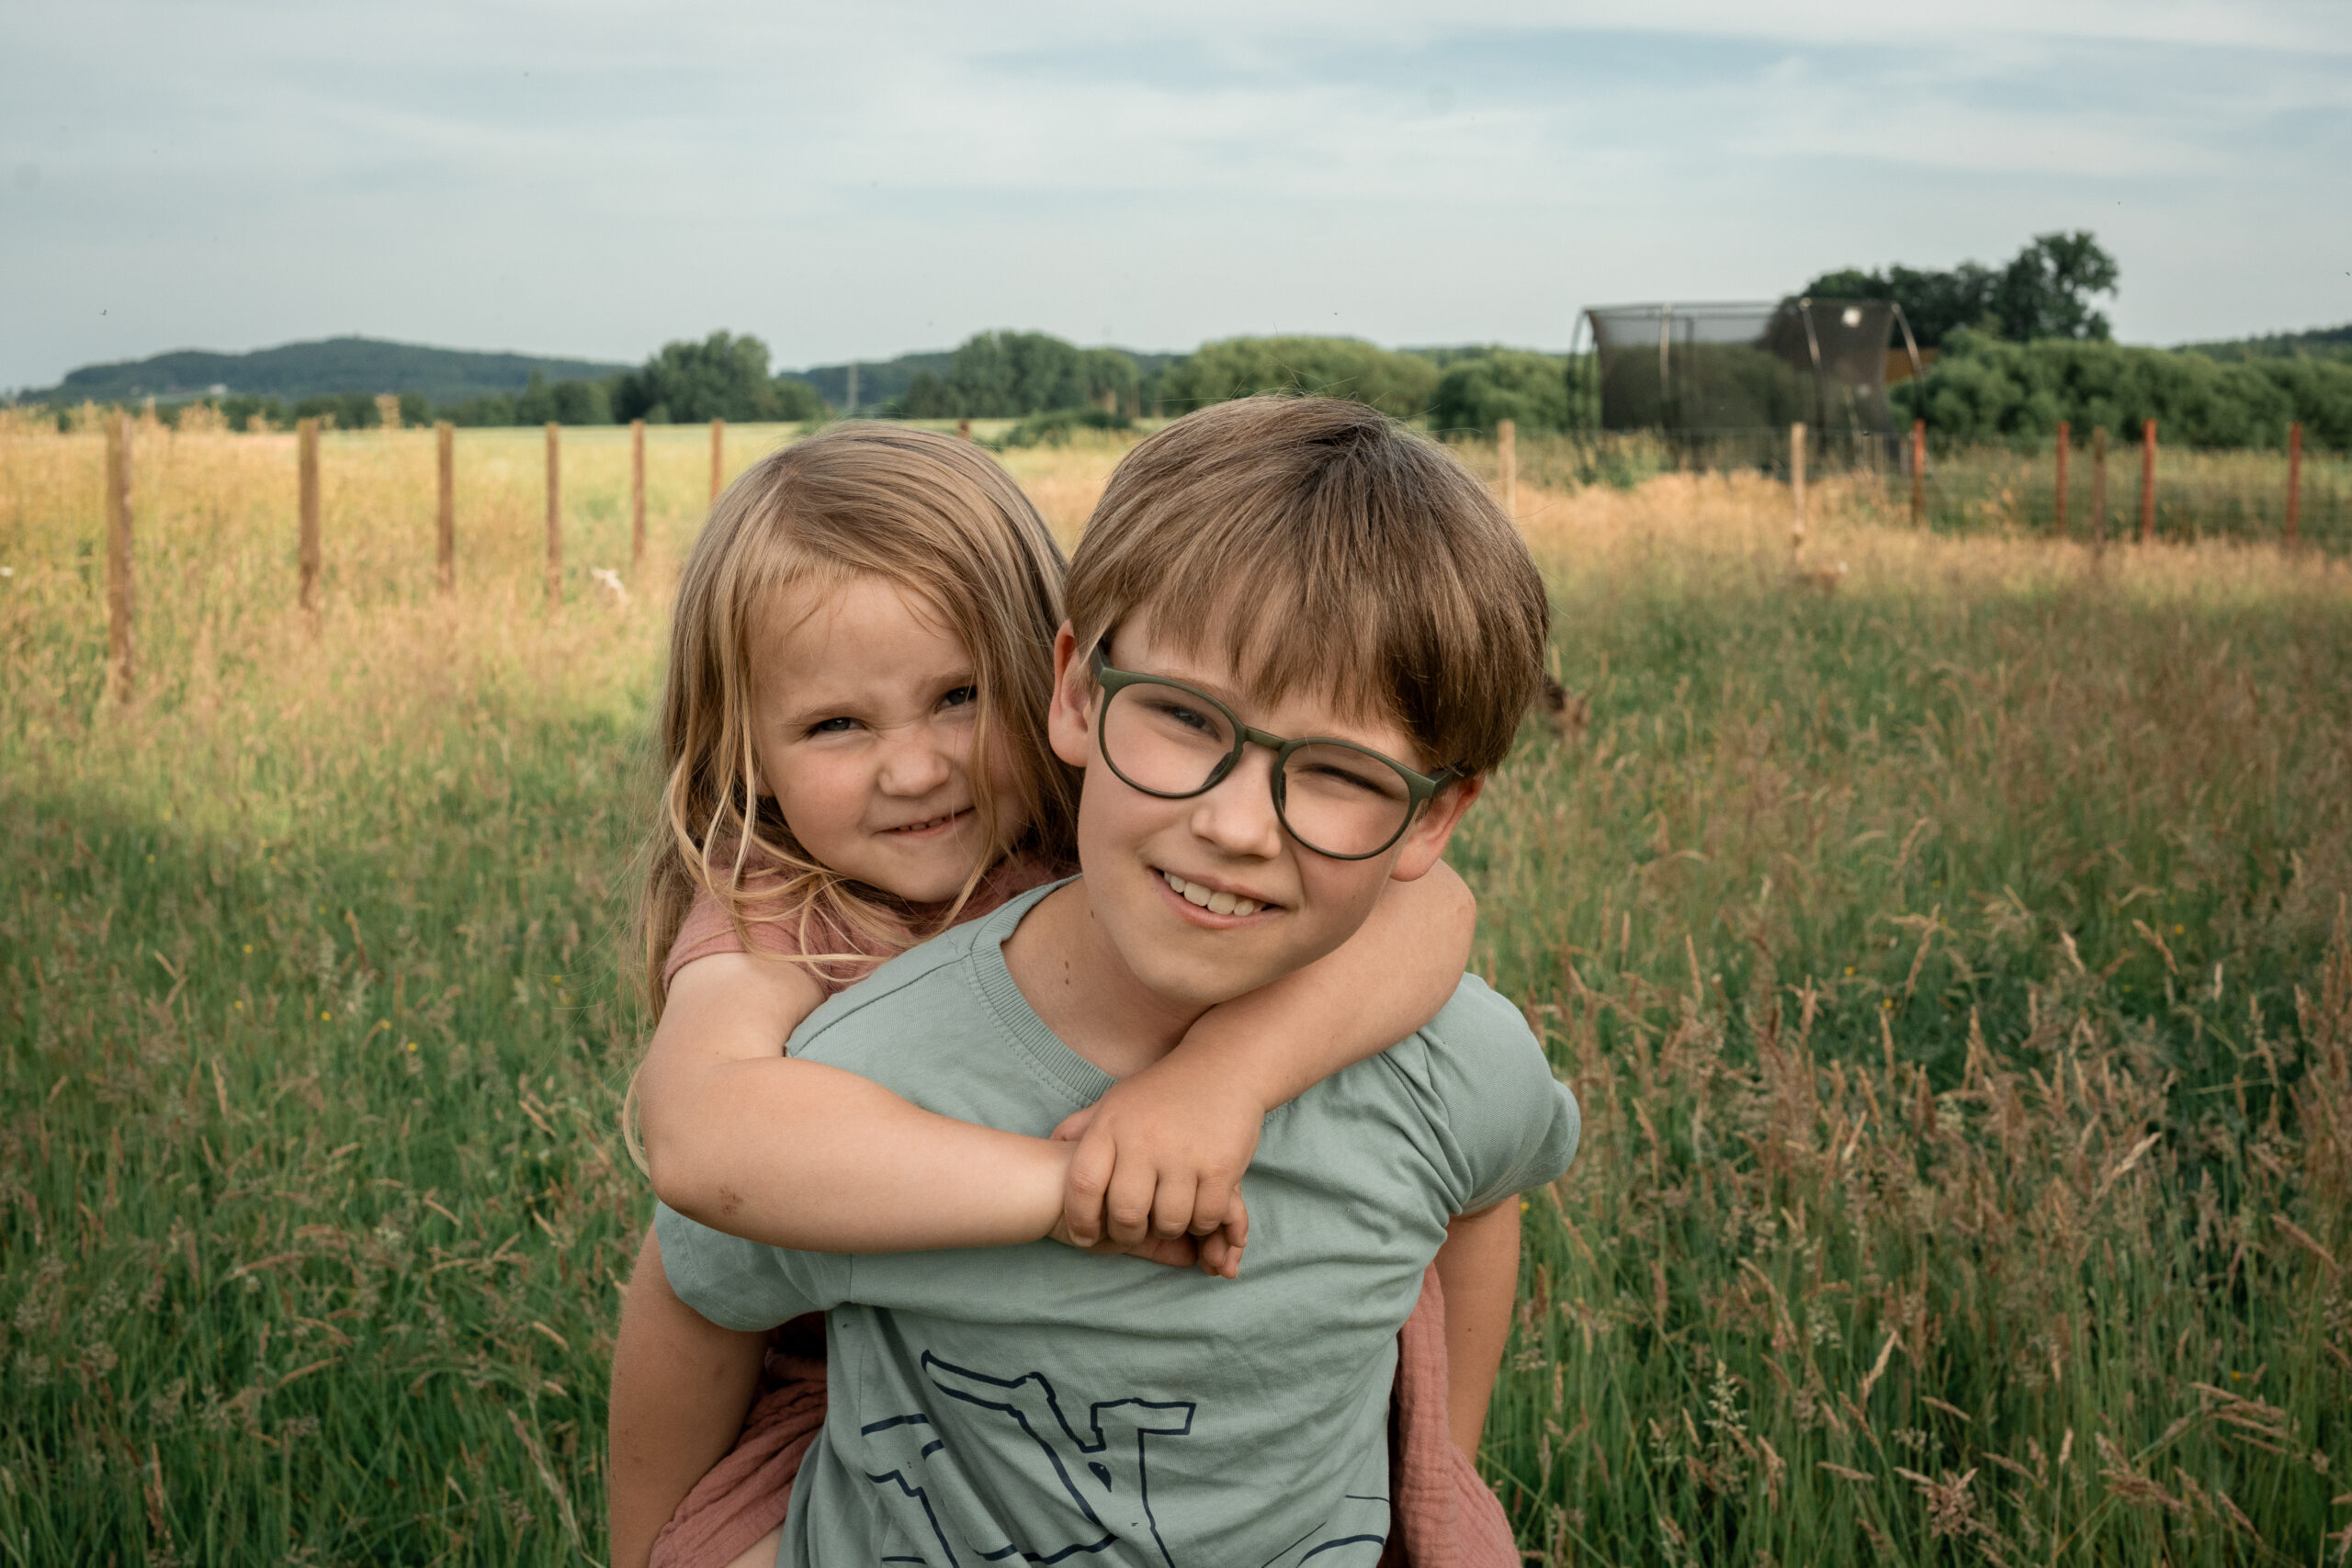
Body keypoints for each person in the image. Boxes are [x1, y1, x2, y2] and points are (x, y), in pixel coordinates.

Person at [650, 398, 1579, 1564]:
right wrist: (1077, 1188)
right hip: (842, 1377)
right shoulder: (778, 919)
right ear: (1082, 693)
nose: (916, 767)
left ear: (1045, 691)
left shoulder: (1093, 825)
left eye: (957, 696)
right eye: (836, 723)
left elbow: (1433, 908)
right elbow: (696, 1164)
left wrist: (1219, 1080)